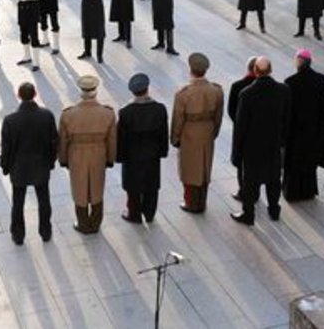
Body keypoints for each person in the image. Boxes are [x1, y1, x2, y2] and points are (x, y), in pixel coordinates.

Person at [231, 57, 291, 225]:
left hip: (252, 147)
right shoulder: (283, 90)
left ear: (255, 71)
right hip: (273, 144)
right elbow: (287, 118)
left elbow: (240, 126)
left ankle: (248, 214)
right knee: (274, 180)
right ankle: (274, 210)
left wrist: (237, 152)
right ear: (271, 70)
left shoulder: (247, 94)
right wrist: (282, 141)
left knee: (250, 182)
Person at [0, 82, 58, 245]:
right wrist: (51, 162)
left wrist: (5, 166)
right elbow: (54, 142)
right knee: (44, 199)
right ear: (35, 94)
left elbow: (6, 147)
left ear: (18, 95)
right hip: (41, 165)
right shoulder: (47, 116)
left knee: (18, 201)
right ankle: (45, 231)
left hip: (19, 167)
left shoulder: (10, 120)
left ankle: (18, 235)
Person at [58, 75, 117, 234]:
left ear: (80, 91)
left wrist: (63, 159)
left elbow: (63, 141)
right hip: (99, 154)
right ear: (96, 91)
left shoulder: (68, 114)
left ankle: (83, 223)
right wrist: (110, 158)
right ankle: (95, 223)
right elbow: (111, 140)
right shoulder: (108, 113)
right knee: (97, 188)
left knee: (79, 188)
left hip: (76, 155)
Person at [171, 53, 224, 213]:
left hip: (189, 132)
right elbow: (218, 116)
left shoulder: (183, 93)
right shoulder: (216, 90)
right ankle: (202, 201)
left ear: (191, 69)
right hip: (207, 130)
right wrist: (213, 132)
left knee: (189, 168)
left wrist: (175, 138)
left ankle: (191, 203)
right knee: (204, 167)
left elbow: (177, 119)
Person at [116, 73, 169, 224]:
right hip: (152, 155)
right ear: (147, 89)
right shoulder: (159, 109)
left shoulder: (126, 112)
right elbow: (163, 133)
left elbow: (121, 139)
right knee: (151, 185)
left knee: (132, 187)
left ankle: (134, 214)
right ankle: (149, 213)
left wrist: (120, 157)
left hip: (132, 157)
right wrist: (163, 151)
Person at [282, 49, 324, 201]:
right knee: (309, 160)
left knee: (293, 162)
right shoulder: (321, 79)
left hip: (295, 131)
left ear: (299, 61)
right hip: (313, 129)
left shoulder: (290, 82)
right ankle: (308, 192)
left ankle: (293, 192)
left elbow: (287, 110)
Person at [228, 57, 257, 200]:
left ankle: (243, 190)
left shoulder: (238, 86)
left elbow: (231, 110)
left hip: (242, 131)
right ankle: (255, 191)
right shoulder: (272, 87)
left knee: (242, 163)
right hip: (260, 131)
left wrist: (238, 123)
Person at [9, 0, 42, 72]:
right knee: (23, 33)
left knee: (34, 34)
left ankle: (36, 61)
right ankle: (27, 56)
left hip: (33, 8)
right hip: (23, 8)